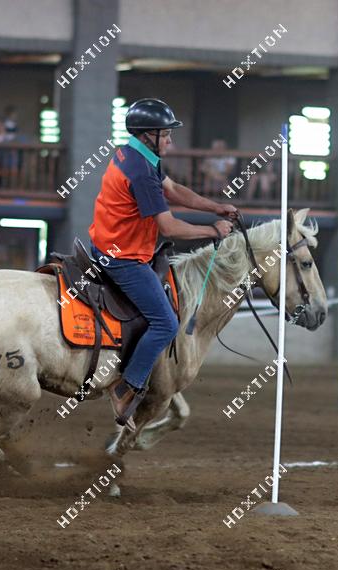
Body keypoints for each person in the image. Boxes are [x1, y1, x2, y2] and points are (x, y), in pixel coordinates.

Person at [89, 98, 235, 430]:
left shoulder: (135, 156)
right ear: (148, 135)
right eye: (166, 134)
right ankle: (126, 388)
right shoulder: (141, 172)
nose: (170, 140)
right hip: (123, 258)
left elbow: (173, 189)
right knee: (167, 323)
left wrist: (215, 207)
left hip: (108, 245)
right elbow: (168, 228)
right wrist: (212, 231)